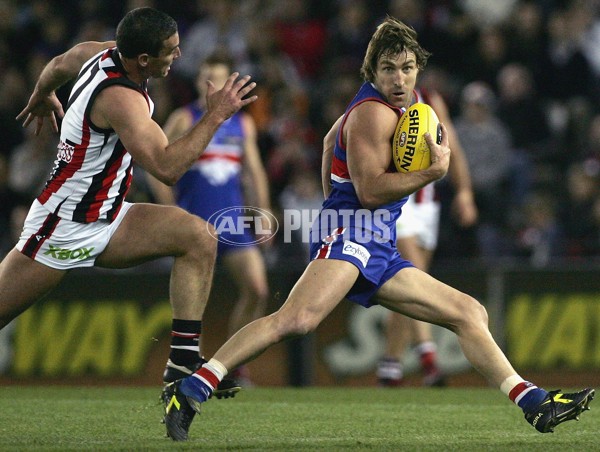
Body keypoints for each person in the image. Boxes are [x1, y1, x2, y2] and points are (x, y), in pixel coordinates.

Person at [162, 16, 594, 442]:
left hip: (375, 240)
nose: (400, 78)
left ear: (418, 69)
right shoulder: (372, 113)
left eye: (407, 68)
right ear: (373, 71)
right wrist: (428, 175)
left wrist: (334, 189)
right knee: (296, 320)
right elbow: (369, 192)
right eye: (389, 68)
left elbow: (332, 140)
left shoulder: (396, 106)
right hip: (351, 231)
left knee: (469, 312)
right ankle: (191, 388)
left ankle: (534, 402)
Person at [0, 5, 256, 415]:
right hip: (62, 226)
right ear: (143, 60)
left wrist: (42, 94)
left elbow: (57, 65)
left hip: (109, 215)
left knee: (197, 236)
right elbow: (168, 168)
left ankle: (182, 360)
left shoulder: (97, 51)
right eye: (170, 50)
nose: (178, 55)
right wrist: (216, 115)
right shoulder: (122, 99)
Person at [148, 51, 271, 386]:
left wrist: (262, 213)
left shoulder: (242, 124)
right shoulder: (184, 119)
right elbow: (156, 169)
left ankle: (233, 365)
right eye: (208, 78)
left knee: (258, 289)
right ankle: (190, 366)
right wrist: (170, 213)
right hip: (194, 224)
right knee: (194, 301)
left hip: (231, 223)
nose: (214, 86)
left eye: (220, 78)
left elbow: (254, 172)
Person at [376, 87, 478, 387]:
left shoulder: (432, 100)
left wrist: (464, 191)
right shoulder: (376, 104)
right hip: (398, 206)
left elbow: (453, 148)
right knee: (415, 275)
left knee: (407, 290)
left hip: (427, 207)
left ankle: (390, 366)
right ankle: (429, 358)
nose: (400, 76)